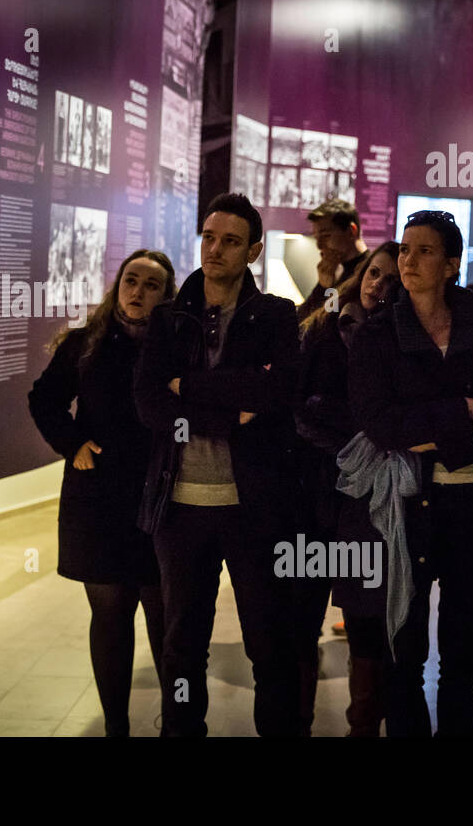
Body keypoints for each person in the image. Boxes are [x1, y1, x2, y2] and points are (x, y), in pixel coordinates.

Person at [134, 192, 302, 737]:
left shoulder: (274, 315)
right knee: (182, 645)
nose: (215, 249)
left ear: (252, 251)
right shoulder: (168, 319)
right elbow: (150, 403)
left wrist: (192, 386)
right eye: (209, 237)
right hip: (178, 504)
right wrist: (231, 414)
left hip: (252, 504)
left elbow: (276, 392)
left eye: (230, 241)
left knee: (267, 643)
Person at [349, 210, 473, 737]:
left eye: (424, 251)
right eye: (404, 249)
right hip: (406, 506)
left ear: (451, 265)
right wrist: (462, 412)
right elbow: (380, 424)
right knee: (405, 646)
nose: (408, 260)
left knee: (463, 648)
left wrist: (428, 429)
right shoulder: (378, 334)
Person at [28, 249, 177, 736]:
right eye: (131, 280)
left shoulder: (177, 346)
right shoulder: (85, 343)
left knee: (165, 614)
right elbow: (44, 400)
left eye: (151, 285)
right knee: (111, 614)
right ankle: (116, 725)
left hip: (162, 500)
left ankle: (176, 718)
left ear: (167, 295)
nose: (138, 291)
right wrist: (73, 445)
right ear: (118, 286)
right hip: (99, 501)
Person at [294, 241, 400, 735]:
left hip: (370, 500)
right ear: (360, 274)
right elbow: (300, 405)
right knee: (301, 615)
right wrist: (361, 430)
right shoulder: (323, 327)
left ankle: (362, 725)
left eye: (392, 279)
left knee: (365, 618)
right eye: (374, 273)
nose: (380, 284)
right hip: (314, 491)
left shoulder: (404, 340)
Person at [297, 198, 369, 320]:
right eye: (316, 237)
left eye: (325, 235)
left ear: (352, 231)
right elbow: (302, 320)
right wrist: (323, 286)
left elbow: (330, 321)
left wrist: (325, 288)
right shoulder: (338, 270)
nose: (319, 245)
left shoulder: (370, 272)